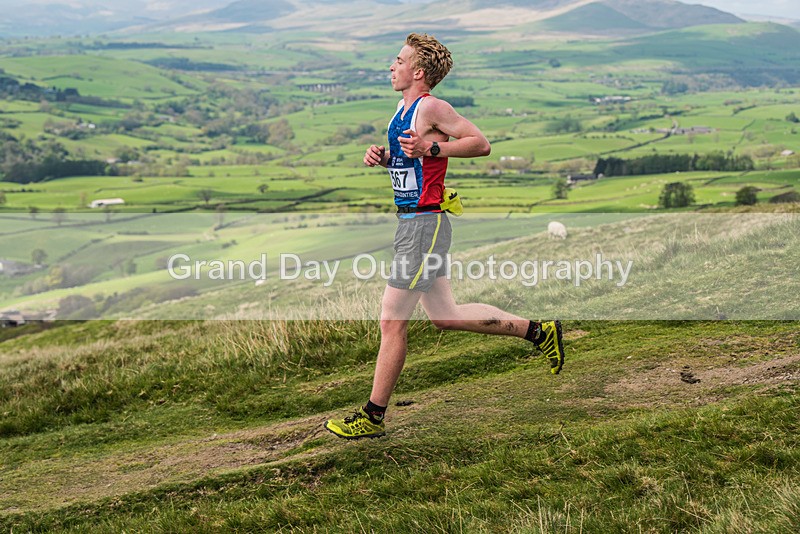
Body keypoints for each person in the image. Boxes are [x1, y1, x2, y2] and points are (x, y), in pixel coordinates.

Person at [324, 33, 565, 440]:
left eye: (398, 60)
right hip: (415, 223)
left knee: (390, 321)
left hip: (423, 225)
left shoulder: (431, 106)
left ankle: (372, 416)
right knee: (445, 315)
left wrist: (431, 150)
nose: (391, 66)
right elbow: (412, 163)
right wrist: (385, 159)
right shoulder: (400, 111)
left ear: (417, 72)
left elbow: (480, 144)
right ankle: (539, 332)